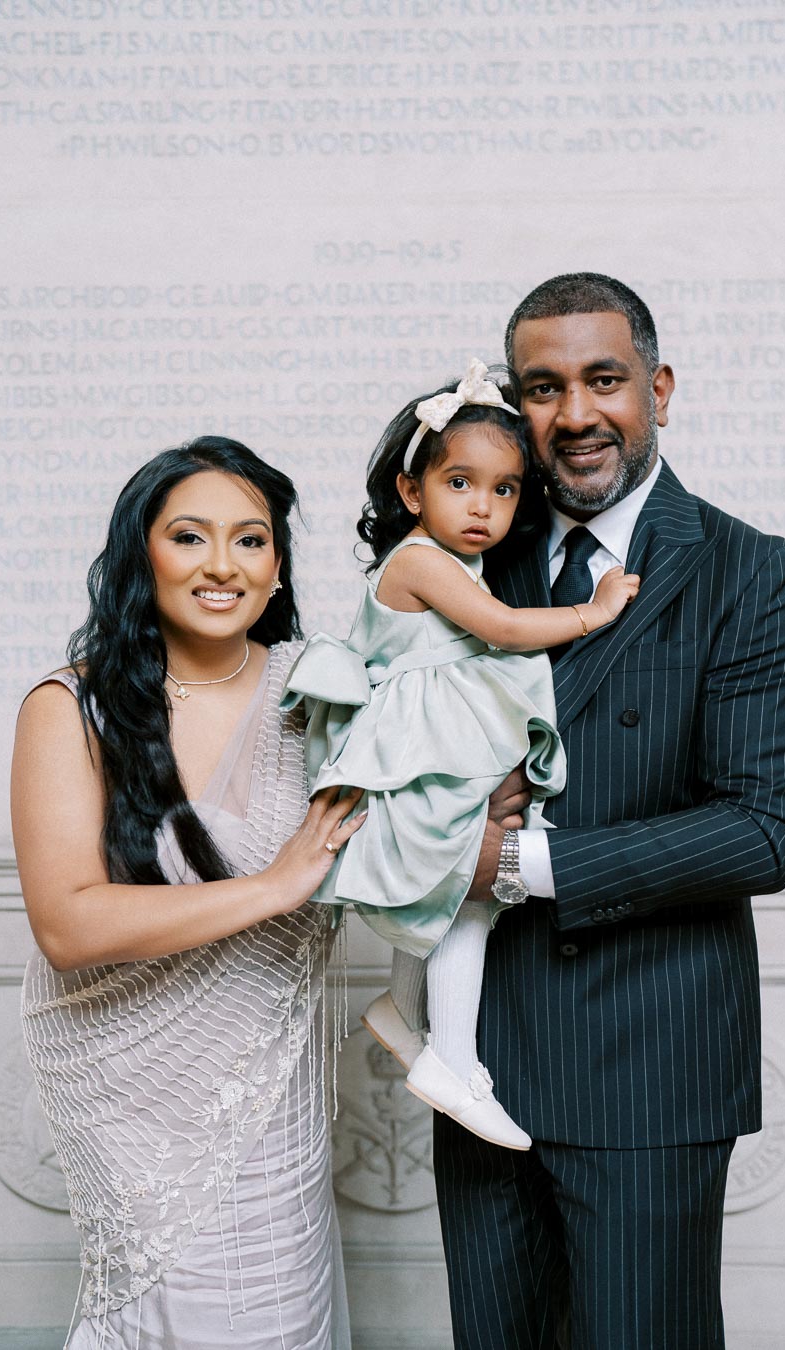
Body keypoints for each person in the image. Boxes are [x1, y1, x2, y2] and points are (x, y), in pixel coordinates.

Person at [432, 274, 785, 1349]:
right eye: (543, 388)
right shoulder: (472, 558)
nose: (576, 414)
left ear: (657, 386)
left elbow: (766, 825)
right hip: (484, 1062)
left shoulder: (750, 571)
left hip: (652, 1067)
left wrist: (514, 866)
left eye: (604, 380)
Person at [10, 437, 366, 1350]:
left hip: (267, 1094)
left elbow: (425, 799)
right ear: (143, 554)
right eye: (190, 537)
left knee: (278, 1316)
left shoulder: (319, 691)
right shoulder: (72, 705)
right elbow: (68, 922)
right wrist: (276, 886)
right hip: (127, 1103)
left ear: (278, 566)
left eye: (251, 541)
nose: (222, 565)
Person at [281, 359, 638, 1151]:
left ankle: (402, 1011)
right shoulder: (418, 562)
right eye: (461, 484)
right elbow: (506, 629)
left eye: (505, 490)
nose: (483, 507)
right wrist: (593, 610)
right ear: (413, 491)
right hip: (412, 759)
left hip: (435, 749)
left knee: (454, 891)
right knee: (468, 890)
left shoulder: (454, 557)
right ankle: (452, 1058)